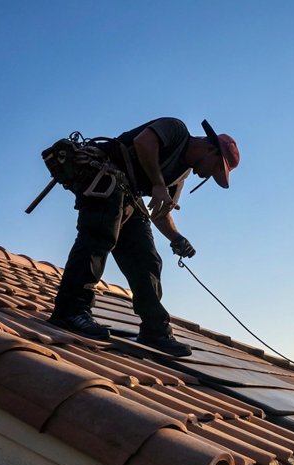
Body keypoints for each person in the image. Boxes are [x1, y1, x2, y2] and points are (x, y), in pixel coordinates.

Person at [48, 117, 239, 357]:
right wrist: (158, 184)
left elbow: (161, 212)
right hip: (103, 174)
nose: (207, 176)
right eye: (215, 168)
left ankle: (155, 331)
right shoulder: (176, 129)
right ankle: (70, 311)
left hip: (129, 195)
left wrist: (176, 238)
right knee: (100, 234)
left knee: (147, 260)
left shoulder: (179, 176)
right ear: (210, 149)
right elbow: (143, 142)